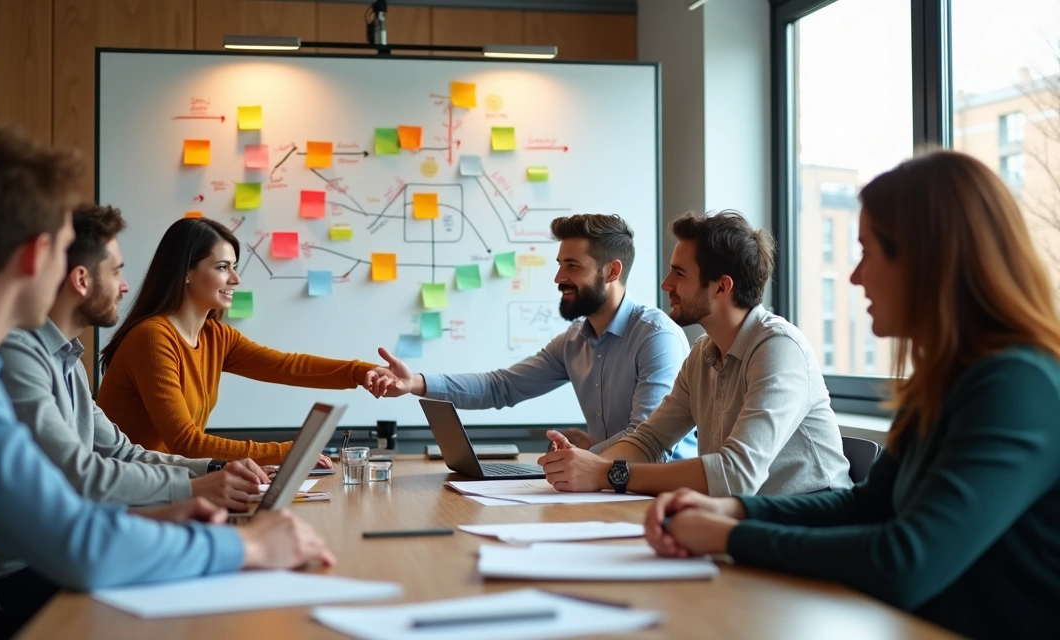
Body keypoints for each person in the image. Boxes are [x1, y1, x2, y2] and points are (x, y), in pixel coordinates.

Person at [0, 122, 334, 640]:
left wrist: (163, 516)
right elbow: (72, 537)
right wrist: (250, 546)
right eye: (63, 251)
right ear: (37, 256)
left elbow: (68, 500)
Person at [643, 151, 1060, 640]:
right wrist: (733, 510)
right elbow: (865, 506)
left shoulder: (1016, 386)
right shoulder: (951, 379)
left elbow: (904, 562)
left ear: (926, 261)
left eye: (867, 252)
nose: (855, 276)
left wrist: (733, 535)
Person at [0, 204, 277, 638]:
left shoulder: (68, 359)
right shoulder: (18, 353)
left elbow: (121, 451)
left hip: (66, 548)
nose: (127, 286)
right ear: (82, 280)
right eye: (118, 272)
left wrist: (213, 469)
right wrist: (192, 486)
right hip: (16, 575)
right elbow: (76, 473)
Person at [538, 211, 852, 497]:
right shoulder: (703, 352)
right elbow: (650, 441)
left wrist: (605, 473)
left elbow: (736, 476)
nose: (665, 284)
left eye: (679, 274)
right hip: (744, 519)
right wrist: (582, 466)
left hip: (811, 525)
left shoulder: (779, 348)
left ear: (720, 287)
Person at [376, 213, 695, 457]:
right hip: (606, 488)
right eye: (559, 265)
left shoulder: (656, 338)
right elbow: (501, 386)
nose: (559, 277)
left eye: (572, 266)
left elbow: (646, 442)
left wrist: (584, 456)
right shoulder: (573, 342)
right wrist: (413, 382)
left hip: (662, 498)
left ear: (611, 271)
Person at [96, 217, 393, 463]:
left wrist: (362, 372)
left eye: (234, 267)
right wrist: (290, 452)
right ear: (186, 271)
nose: (235, 279)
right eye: (223, 267)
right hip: (131, 492)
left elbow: (286, 366)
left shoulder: (215, 336)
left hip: (174, 480)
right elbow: (187, 443)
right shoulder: (153, 338)